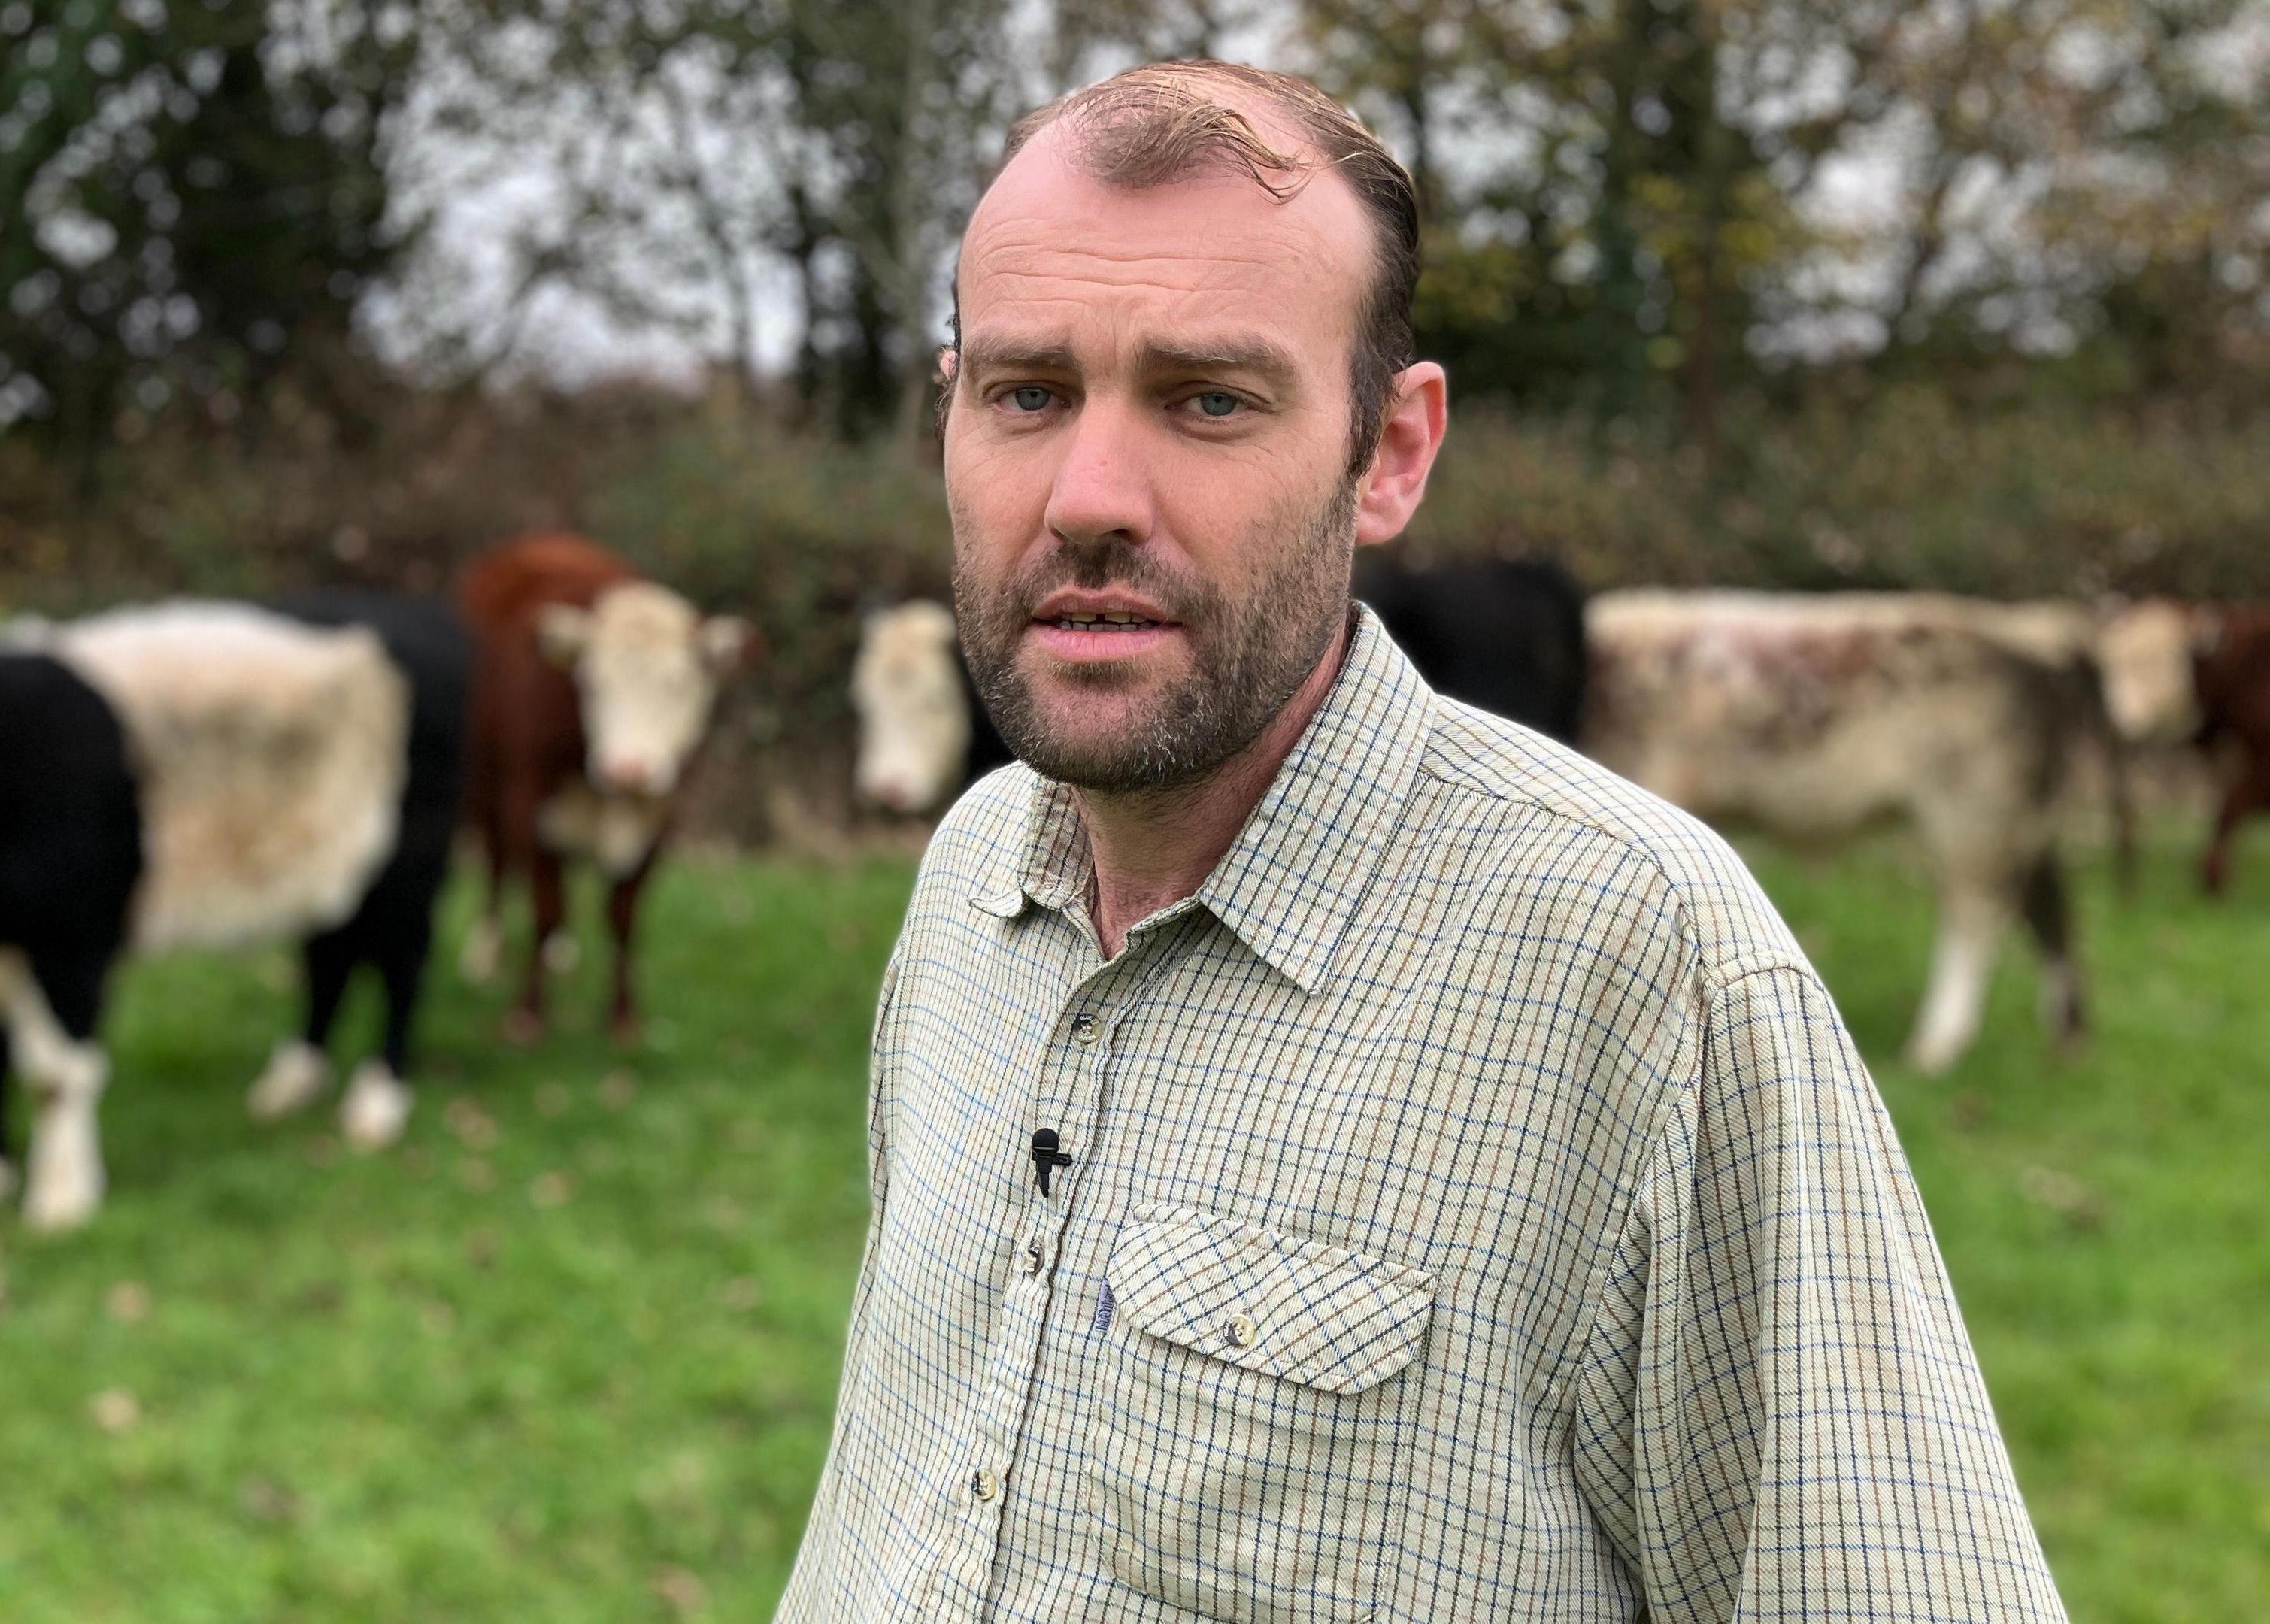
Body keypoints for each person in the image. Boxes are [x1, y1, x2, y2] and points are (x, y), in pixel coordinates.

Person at [774, 59, 2066, 1624]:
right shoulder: (974, 877)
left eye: (1209, 399)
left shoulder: (1643, 967)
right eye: (1027, 392)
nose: (1089, 496)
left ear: (1391, 451)